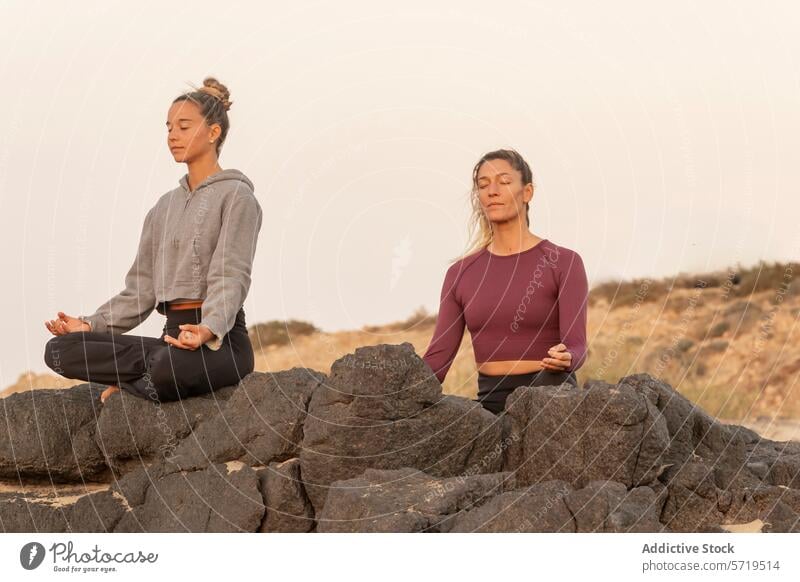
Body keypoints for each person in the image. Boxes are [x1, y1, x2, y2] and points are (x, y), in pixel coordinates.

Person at [43, 77, 263, 405]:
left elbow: (231, 274)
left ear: (214, 132)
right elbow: (141, 291)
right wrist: (89, 326)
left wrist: (207, 329)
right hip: (169, 340)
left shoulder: (237, 196)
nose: (173, 135)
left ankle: (137, 382)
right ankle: (140, 381)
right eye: (169, 127)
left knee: (165, 367)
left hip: (221, 343)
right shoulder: (163, 207)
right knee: (59, 351)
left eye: (184, 126)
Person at [422, 148, 588, 415]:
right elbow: (437, 360)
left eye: (504, 181)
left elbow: (577, 345)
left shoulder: (564, 262)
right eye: (483, 185)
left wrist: (568, 357)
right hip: (490, 404)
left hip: (551, 400)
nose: (492, 191)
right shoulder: (460, 274)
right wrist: (392, 389)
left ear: (528, 192)